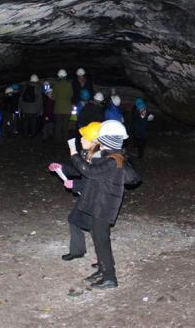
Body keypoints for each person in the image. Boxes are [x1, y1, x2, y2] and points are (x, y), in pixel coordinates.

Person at [66, 120, 131, 289]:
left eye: (101, 139)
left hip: (103, 207)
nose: (99, 142)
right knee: (98, 239)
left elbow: (90, 172)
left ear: (107, 141)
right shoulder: (110, 157)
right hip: (99, 205)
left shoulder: (113, 160)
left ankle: (110, 277)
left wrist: (74, 154)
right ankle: (103, 270)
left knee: (102, 241)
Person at [48, 122, 103, 262]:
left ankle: (104, 260)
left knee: (95, 227)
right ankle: (77, 250)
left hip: (98, 198)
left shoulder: (100, 158)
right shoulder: (89, 153)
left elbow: (95, 183)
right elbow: (80, 170)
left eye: (85, 137)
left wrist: (75, 184)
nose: (81, 139)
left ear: (95, 141)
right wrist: (62, 168)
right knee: (74, 220)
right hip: (88, 195)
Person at [52, 69, 73, 143]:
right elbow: (71, 95)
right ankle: (65, 141)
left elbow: (53, 97)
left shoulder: (56, 85)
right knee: (65, 126)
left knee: (58, 125)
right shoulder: (69, 84)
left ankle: (57, 140)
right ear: (65, 76)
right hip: (67, 109)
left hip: (58, 108)